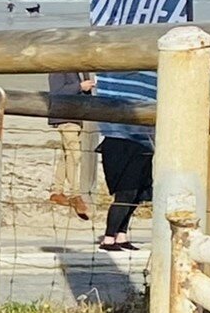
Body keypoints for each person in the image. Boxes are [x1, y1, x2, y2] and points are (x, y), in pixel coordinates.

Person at [98, 123, 153, 253]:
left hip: (143, 143)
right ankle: (109, 238)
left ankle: (121, 235)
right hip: (119, 143)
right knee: (125, 192)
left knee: (137, 193)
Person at [47, 70, 94, 220]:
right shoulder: (59, 68)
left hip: (75, 117)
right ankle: (75, 194)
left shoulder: (79, 70)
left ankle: (57, 190)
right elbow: (57, 92)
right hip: (65, 118)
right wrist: (80, 86)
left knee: (66, 156)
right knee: (75, 155)